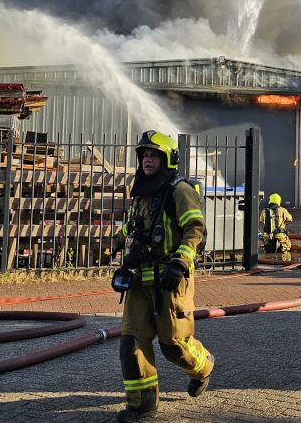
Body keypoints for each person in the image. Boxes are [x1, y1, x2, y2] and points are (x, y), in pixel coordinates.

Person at [111, 130, 215, 422]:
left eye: (153, 154)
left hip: (170, 279)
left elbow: (195, 230)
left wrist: (181, 261)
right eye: (144, 154)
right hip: (140, 279)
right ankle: (142, 404)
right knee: (131, 342)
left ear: (167, 158)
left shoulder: (179, 191)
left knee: (173, 345)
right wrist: (118, 239)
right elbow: (134, 224)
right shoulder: (143, 191)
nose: (147, 159)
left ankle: (203, 367)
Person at [259, 193, 293, 257]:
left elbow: (261, 220)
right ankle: (282, 249)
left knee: (265, 242)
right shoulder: (283, 210)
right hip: (280, 235)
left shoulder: (264, 211)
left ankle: (268, 246)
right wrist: (284, 222)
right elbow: (290, 219)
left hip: (267, 235)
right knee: (288, 246)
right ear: (279, 201)